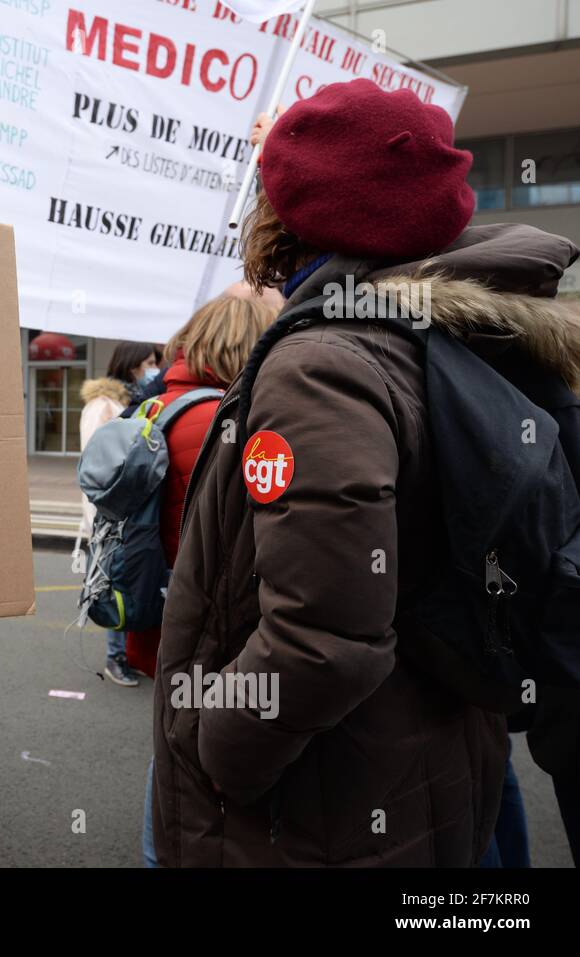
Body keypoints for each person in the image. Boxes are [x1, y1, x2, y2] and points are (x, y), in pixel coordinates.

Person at [153, 78, 579, 866]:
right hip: (427, 767)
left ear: (288, 215)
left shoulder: (321, 365)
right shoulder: (438, 334)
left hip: (327, 805)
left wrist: (217, 750)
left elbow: (323, 636)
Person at [132, 294, 276, 865]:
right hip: (210, 629)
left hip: (158, 610)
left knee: (169, 752)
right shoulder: (228, 419)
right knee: (192, 768)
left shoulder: (156, 407)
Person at [78, 341, 163, 687]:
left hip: (131, 509)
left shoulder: (138, 402)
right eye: (148, 362)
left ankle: (129, 653)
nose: (153, 368)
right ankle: (116, 658)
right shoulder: (104, 405)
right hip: (112, 512)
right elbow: (98, 461)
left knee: (132, 582)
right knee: (116, 583)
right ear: (131, 366)